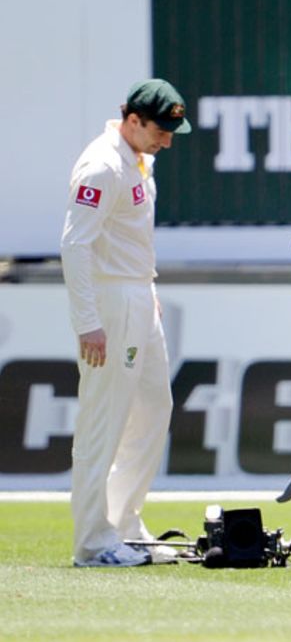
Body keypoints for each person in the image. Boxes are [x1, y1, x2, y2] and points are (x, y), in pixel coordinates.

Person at [61, 79, 191, 567]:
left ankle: (123, 525)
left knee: (155, 408)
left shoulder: (138, 158)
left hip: (138, 293)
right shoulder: (103, 165)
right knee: (104, 420)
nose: (167, 142)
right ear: (132, 120)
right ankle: (93, 543)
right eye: (161, 131)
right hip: (111, 301)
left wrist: (147, 290)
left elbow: (128, 235)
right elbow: (75, 245)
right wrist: (88, 322)